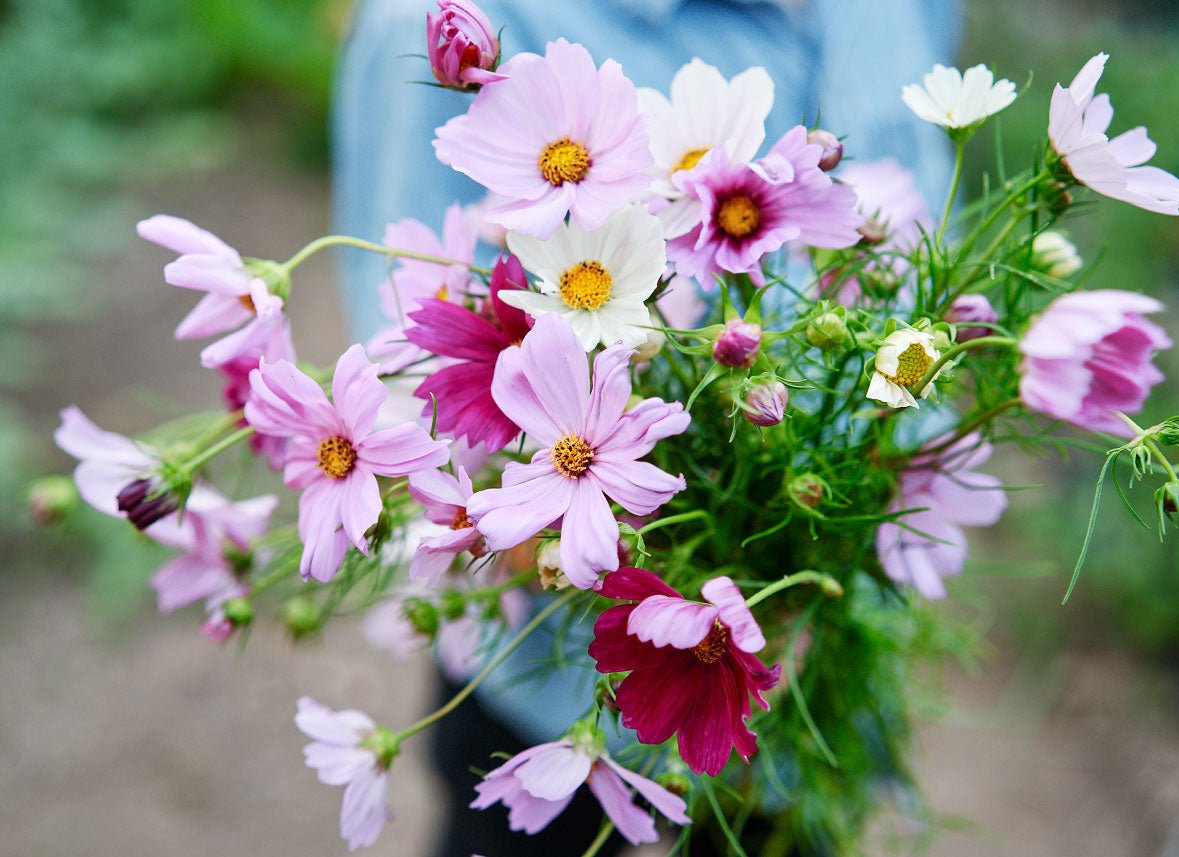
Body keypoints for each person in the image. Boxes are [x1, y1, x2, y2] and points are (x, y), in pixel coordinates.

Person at [333, 1, 960, 853]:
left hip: (801, 655)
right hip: (550, 672)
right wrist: (611, 555)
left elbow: (935, 297)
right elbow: (411, 363)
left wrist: (855, 507)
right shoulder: (428, 22)